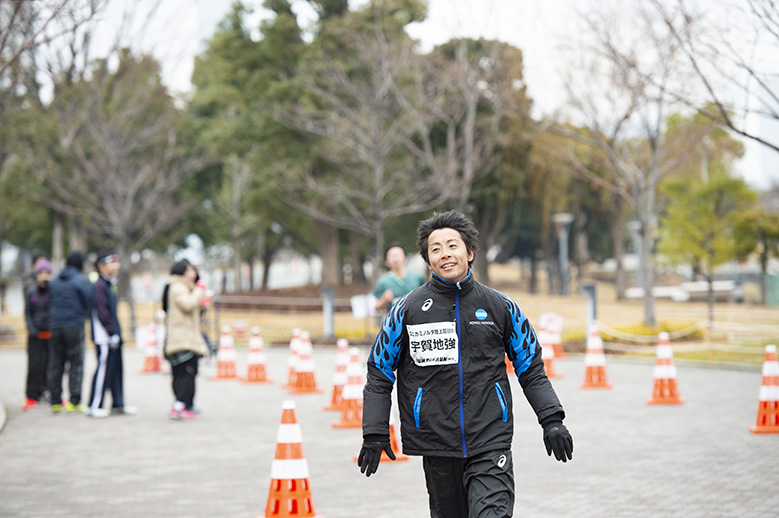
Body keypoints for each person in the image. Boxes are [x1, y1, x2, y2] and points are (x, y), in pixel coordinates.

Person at [359, 210, 574, 518]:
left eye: (452, 245)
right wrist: (375, 431)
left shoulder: (500, 306)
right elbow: (379, 372)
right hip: (436, 441)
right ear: (427, 260)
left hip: (490, 438)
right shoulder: (407, 310)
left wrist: (551, 418)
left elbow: (530, 367)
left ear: (470, 252)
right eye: (435, 249)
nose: (445, 254)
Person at [86, 251, 136, 418]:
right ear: (101, 265)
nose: (117, 266)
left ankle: (118, 403)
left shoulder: (109, 284)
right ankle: (94, 405)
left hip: (113, 336)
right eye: (112, 262)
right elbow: (102, 313)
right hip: (104, 337)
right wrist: (111, 332)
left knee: (116, 370)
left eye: (117, 262)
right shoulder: (98, 285)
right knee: (103, 370)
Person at [162, 259, 209, 420]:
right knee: (185, 372)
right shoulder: (177, 287)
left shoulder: (185, 287)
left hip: (188, 336)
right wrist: (199, 290)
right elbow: (188, 305)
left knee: (190, 370)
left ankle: (187, 404)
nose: (193, 273)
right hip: (181, 338)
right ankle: (178, 405)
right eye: (189, 270)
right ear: (181, 272)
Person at [47, 251, 92, 414]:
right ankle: (74, 400)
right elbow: (89, 302)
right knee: (76, 362)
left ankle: (56, 401)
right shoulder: (81, 281)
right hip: (74, 325)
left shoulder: (54, 281)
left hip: (55, 326)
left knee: (56, 363)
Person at [22, 258, 53, 410]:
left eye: (47, 272)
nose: (44, 276)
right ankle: (31, 395)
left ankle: (46, 391)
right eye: (41, 272)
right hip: (34, 335)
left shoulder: (53, 290)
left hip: (49, 334)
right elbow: (28, 312)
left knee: (48, 365)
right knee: (34, 365)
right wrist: (31, 328)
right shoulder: (30, 291)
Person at [373, 242, 426, 314]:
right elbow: (376, 307)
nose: (395, 259)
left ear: (405, 258)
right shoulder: (383, 282)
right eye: (392, 256)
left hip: (417, 319)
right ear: (386, 261)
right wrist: (384, 300)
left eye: (398, 255)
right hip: (395, 322)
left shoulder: (418, 277)